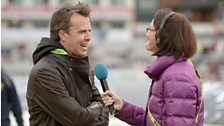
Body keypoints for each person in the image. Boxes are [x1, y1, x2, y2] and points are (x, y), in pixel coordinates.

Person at [102, 8, 204, 126]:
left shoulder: (177, 77)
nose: (146, 34)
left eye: (150, 29)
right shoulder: (170, 73)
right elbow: (154, 121)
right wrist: (122, 107)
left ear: (162, 36)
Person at [26, 2, 109, 126]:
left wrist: (94, 109)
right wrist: (99, 106)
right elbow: (79, 120)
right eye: (82, 32)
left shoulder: (82, 67)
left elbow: (103, 117)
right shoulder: (44, 72)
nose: (88, 37)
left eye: (89, 31)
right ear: (63, 35)